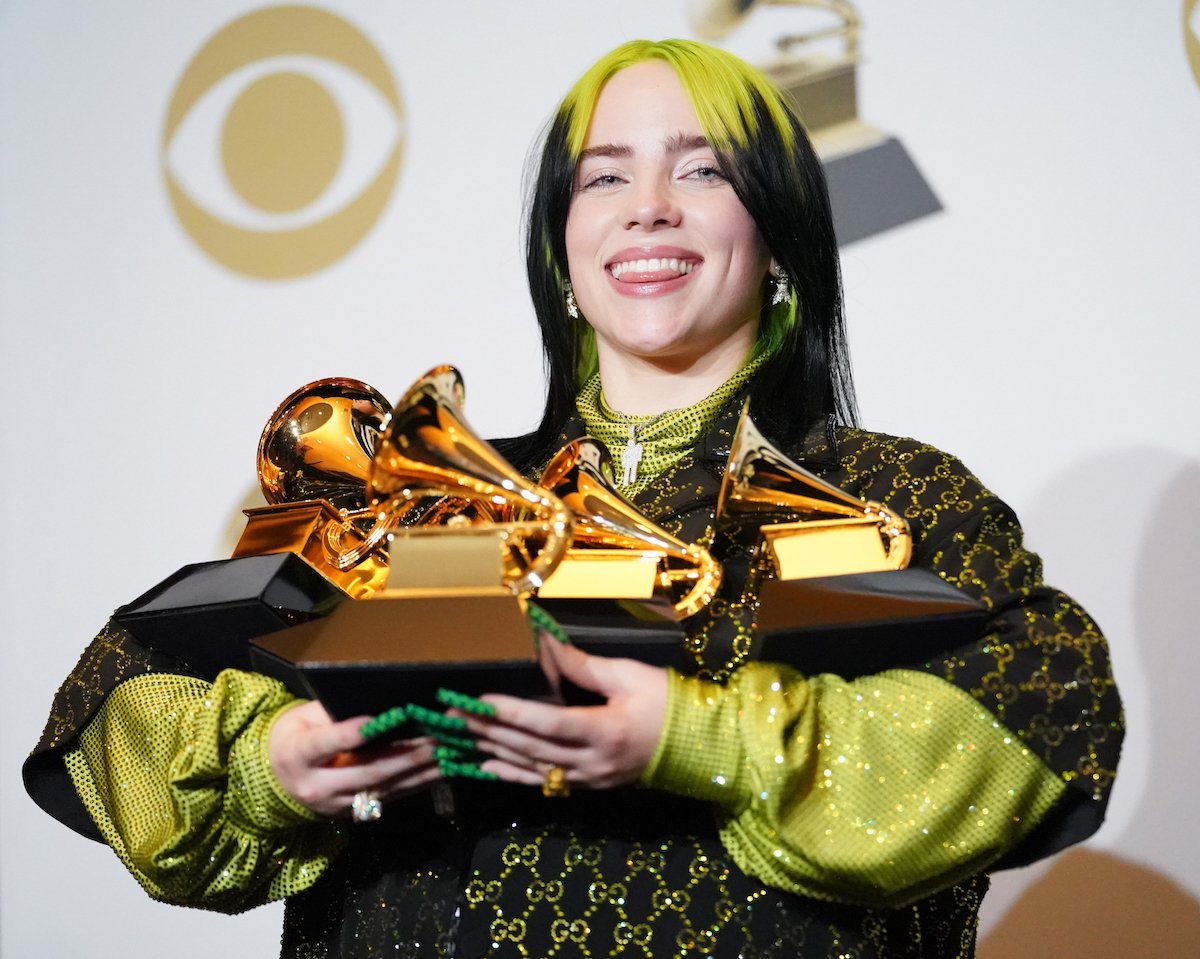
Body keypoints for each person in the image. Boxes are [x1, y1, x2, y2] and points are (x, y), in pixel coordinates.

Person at [25, 39, 1122, 958]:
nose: (647, 208)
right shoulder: (411, 505)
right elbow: (123, 710)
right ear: (561, 251)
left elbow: (1021, 725)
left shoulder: (887, 493)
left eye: (702, 171)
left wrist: (694, 738)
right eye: (603, 178)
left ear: (780, 239)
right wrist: (278, 763)